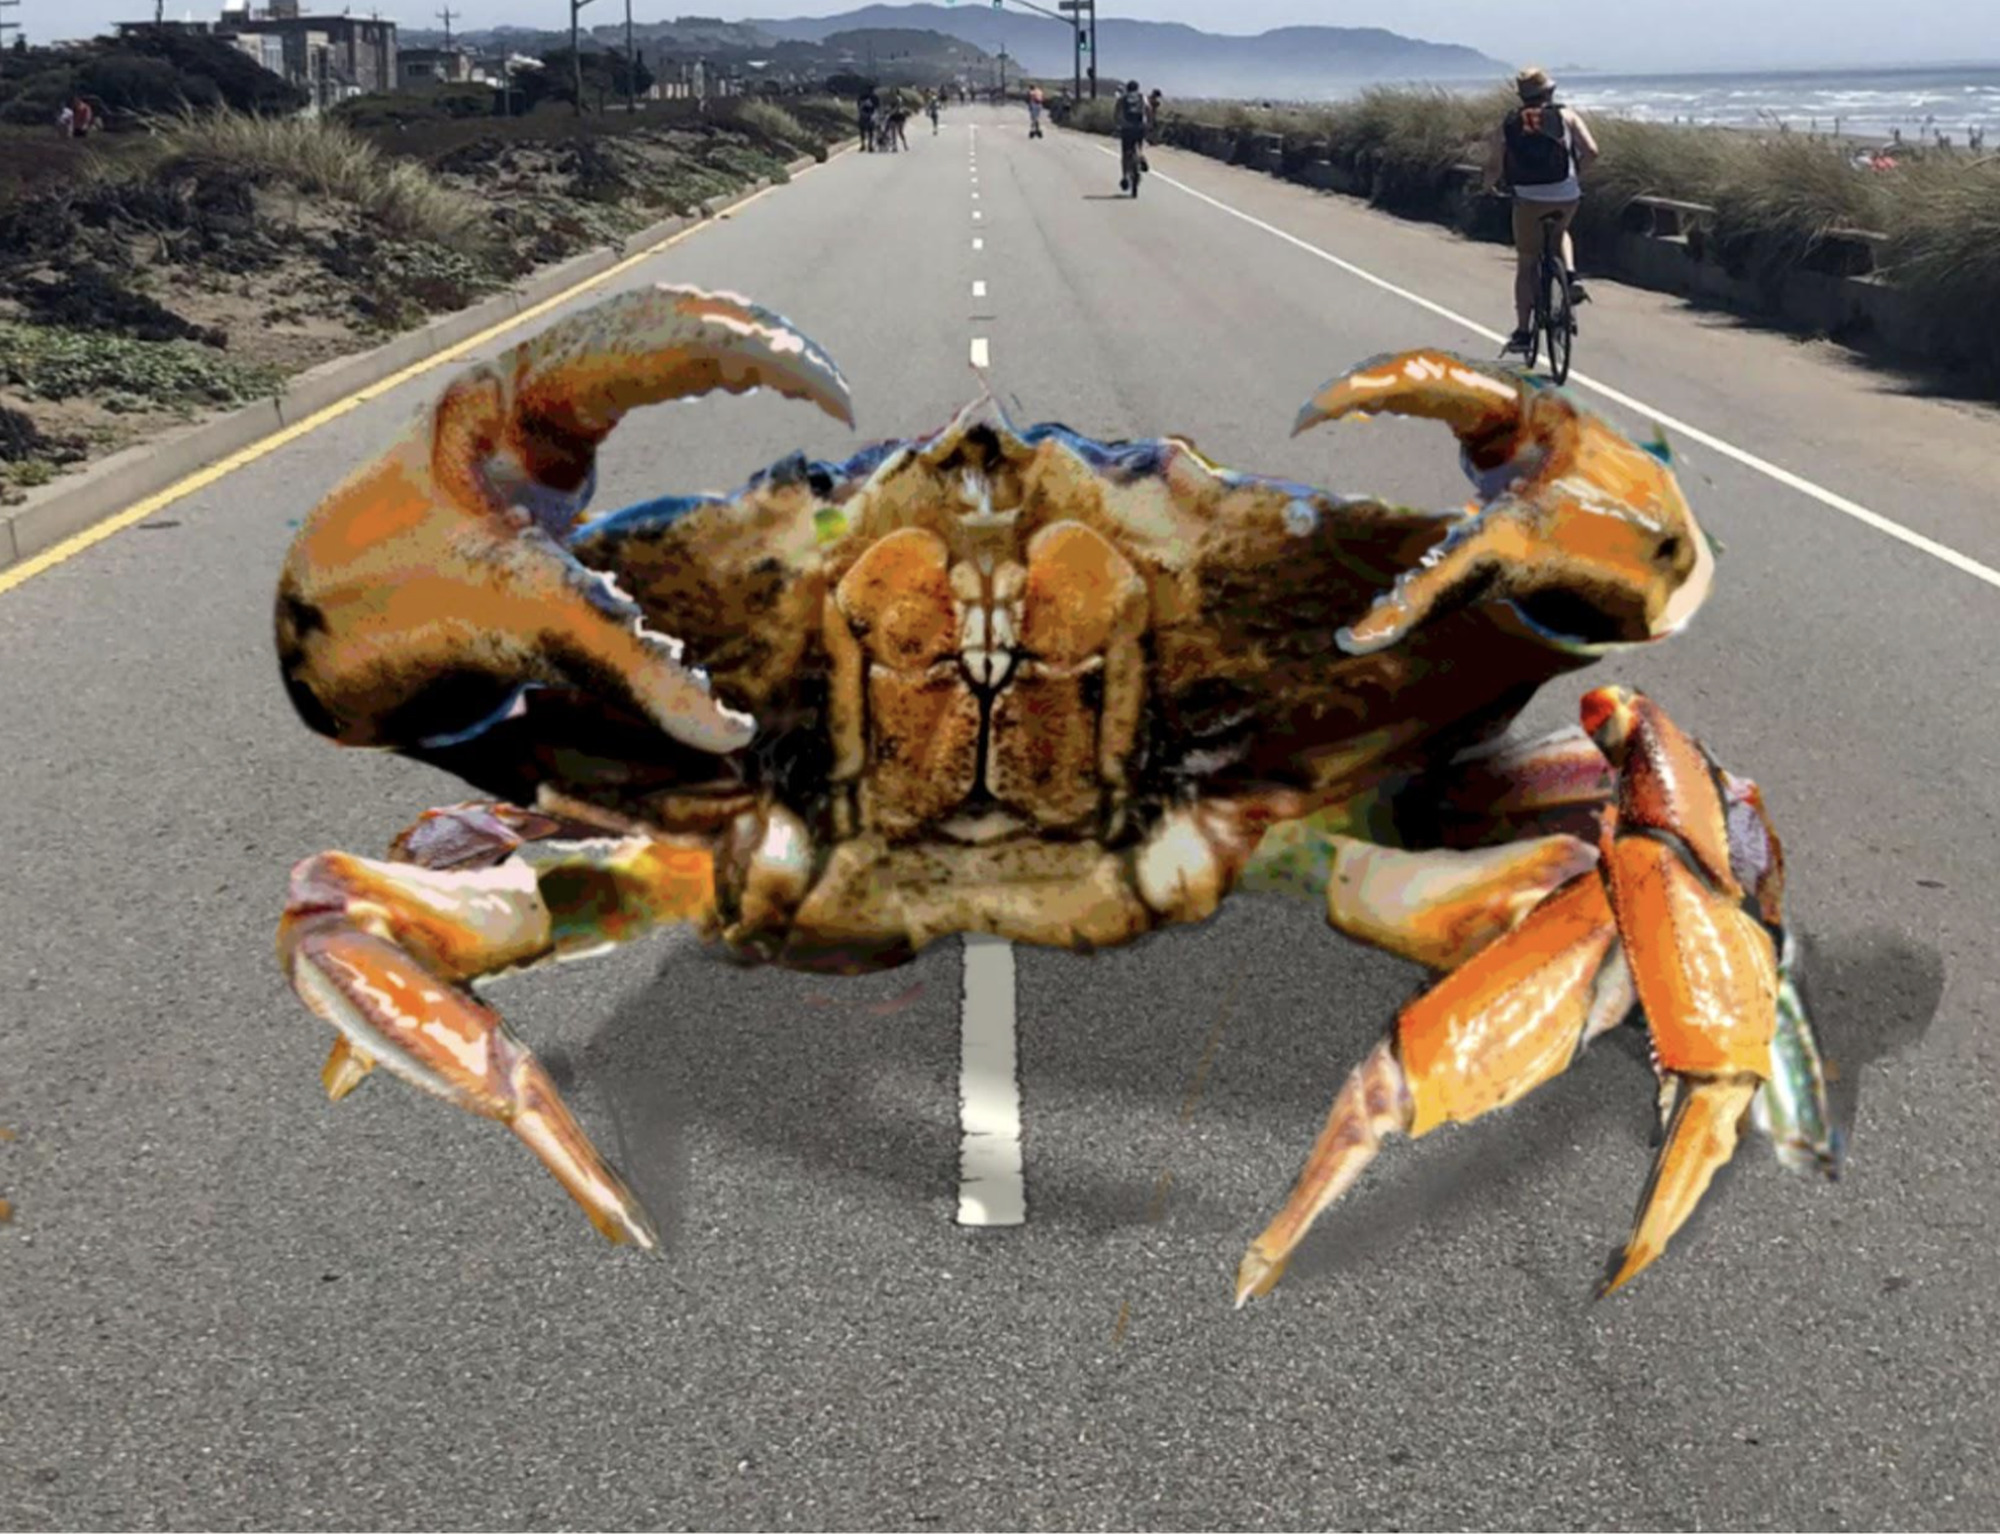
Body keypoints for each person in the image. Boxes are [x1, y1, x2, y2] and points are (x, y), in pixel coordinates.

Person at [1483, 65, 1599, 354]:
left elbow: (1495, 165)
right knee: (1561, 230)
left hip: (1527, 198)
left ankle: (1523, 333)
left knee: (1526, 261)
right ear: (1550, 91)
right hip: (1566, 193)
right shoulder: (1567, 115)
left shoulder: (1508, 122)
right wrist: (1576, 176)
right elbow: (1593, 151)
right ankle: (1570, 275)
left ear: (1522, 96)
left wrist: (1488, 187)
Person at [1114, 79, 1149, 191]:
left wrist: (1118, 124)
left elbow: (1116, 113)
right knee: (1139, 145)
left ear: (1127, 88)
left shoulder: (1122, 98)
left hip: (1127, 127)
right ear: (1137, 88)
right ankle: (1141, 157)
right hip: (1140, 126)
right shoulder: (1142, 97)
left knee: (1125, 153)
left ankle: (1125, 177)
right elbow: (1148, 109)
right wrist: (1149, 122)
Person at [858, 86, 879, 153]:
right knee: (866, 130)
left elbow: (877, 107)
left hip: (868, 114)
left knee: (867, 130)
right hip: (866, 113)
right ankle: (866, 145)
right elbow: (859, 105)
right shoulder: (865, 97)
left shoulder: (872, 97)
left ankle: (867, 145)